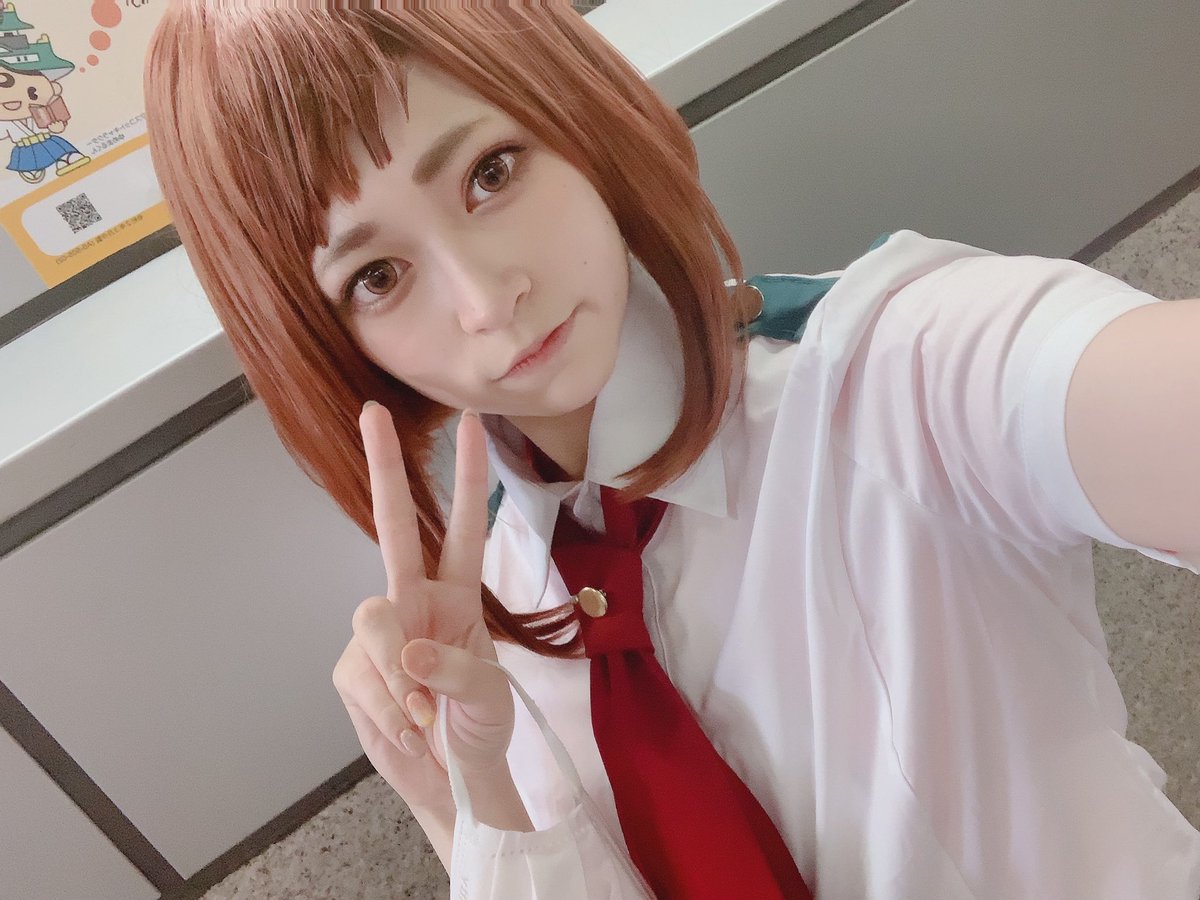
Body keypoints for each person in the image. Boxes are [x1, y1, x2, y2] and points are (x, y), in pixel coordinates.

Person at [143, 3, 1200, 897]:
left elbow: (1090, 382)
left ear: (573, 115)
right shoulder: (483, 619)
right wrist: (459, 795)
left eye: (490, 172)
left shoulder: (901, 370)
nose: (485, 301)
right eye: (377, 277)